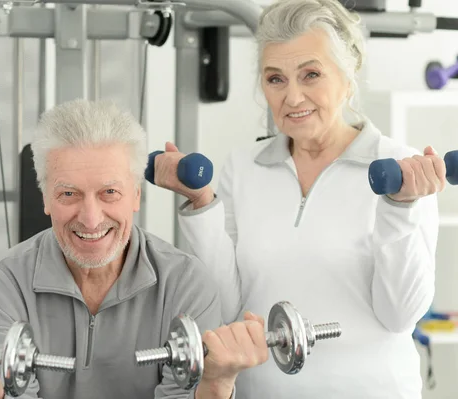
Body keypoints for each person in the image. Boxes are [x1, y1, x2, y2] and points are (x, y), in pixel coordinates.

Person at [151, 0, 445, 398]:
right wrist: (202, 203)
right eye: (275, 79)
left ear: (348, 74)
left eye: (311, 75)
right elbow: (227, 305)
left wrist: (400, 209)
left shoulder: (402, 170)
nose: (292, 97)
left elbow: (400, 316)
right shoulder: (244, 167)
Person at [0, 99, 270, 399]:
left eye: (109, 193)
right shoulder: (4, 281)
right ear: (45, 198)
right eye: (69, 194)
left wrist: (217, 382)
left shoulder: (186, 282)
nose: (90, 219)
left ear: (135, 195)